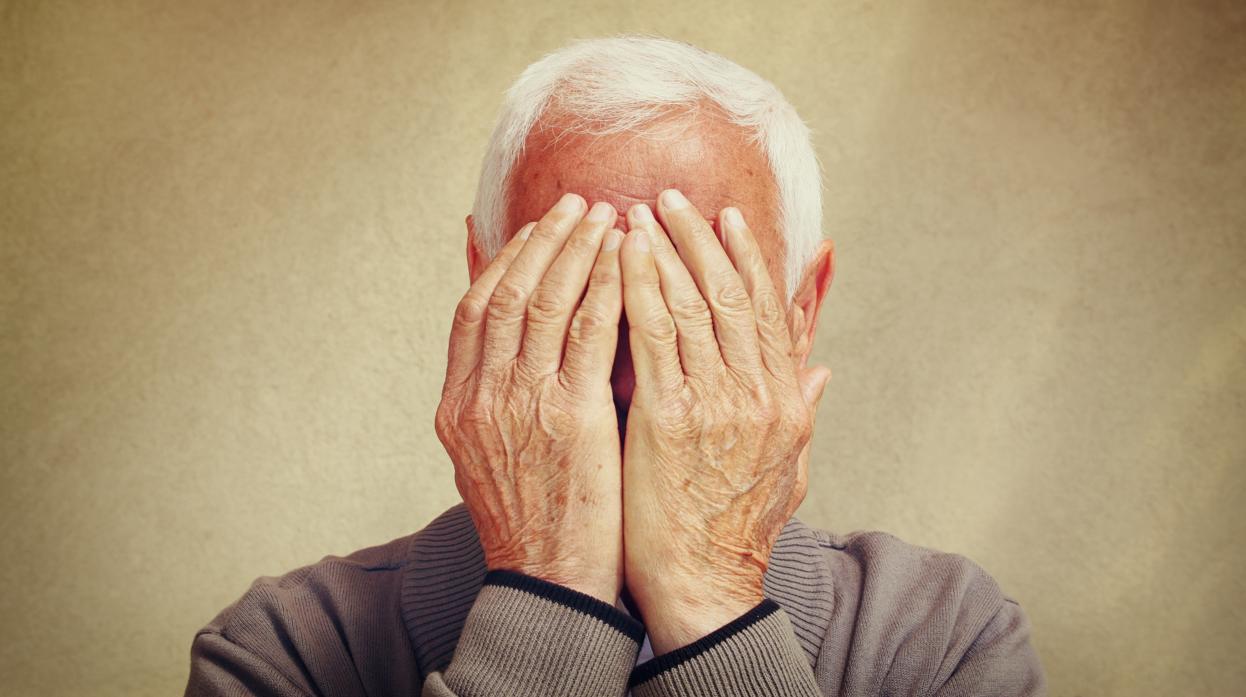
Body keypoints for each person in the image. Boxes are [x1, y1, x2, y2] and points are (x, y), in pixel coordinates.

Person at [184, 36, 1046, 697]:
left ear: (800, 313)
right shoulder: (286, 651)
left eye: (692, 301)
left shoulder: (946, 639)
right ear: (485, 288)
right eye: (575, 291)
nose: (632, 376)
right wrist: (548, 584)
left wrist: (713, 599)